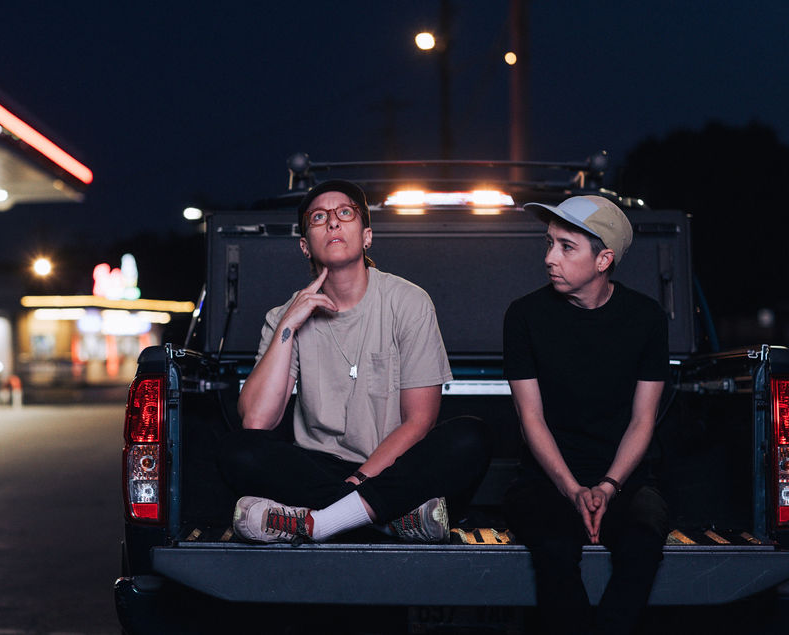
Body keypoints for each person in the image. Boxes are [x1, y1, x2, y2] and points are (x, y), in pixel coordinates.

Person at [219, 179, 491, 544]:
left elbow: (420, 421)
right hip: (321, 470)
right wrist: (288, 325)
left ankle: (318, 522)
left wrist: (359, 481)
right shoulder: (283, 316)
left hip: (394, 468)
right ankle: (389, 521)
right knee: (237, 451)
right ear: (305, 246)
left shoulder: (409, 302)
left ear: (367, 237)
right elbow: (257, 421)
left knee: (470, 437)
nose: (332, 221)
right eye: (318, 217)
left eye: (345, 213)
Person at [502, 196, 669, 635]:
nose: (549, 258)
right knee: (554, 550)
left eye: (566, 247)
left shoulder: (646, 318)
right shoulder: (524, 316)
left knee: (643, 544)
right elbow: (531, 418)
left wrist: (609, 486)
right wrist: (573, 489)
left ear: (603, 260)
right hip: (546, 480)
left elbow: (643, 420)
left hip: (626, 480)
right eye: (549, 243)